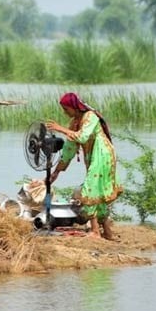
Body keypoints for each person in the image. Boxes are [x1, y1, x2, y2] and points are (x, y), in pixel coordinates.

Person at [46, 92, 123, 240]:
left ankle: (95, 231)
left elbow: (82, 136)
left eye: (66, 109)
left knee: (90, 191)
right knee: (98, 193)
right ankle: (107, 232)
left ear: (75, 107)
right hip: (92, 157)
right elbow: (69, 149)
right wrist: (56, 173)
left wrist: (60, 129)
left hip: (103, 156)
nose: (65, 112)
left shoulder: (90, 117)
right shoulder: (74, 123)